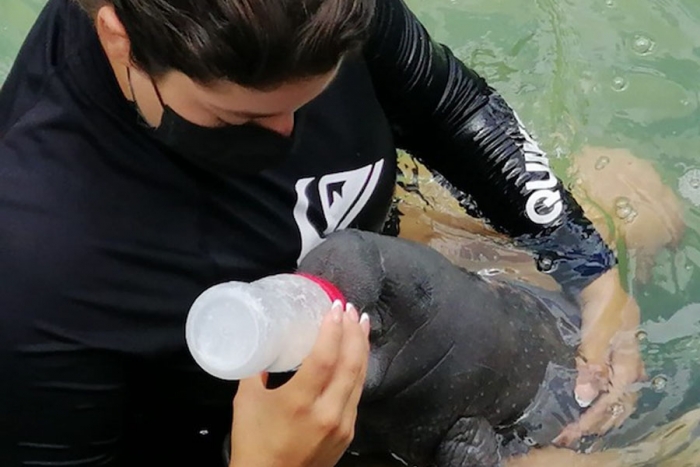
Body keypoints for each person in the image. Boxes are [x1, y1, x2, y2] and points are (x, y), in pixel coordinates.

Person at [0, 0, 643, 465]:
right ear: (119, 39)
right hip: (243, 434)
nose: (292, 141)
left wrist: (594, 278)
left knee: (639, 206)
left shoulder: (318, 11)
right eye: (238, 118)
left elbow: (448, 106)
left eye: (313, 98)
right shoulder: (38, 264)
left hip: (384, 299)